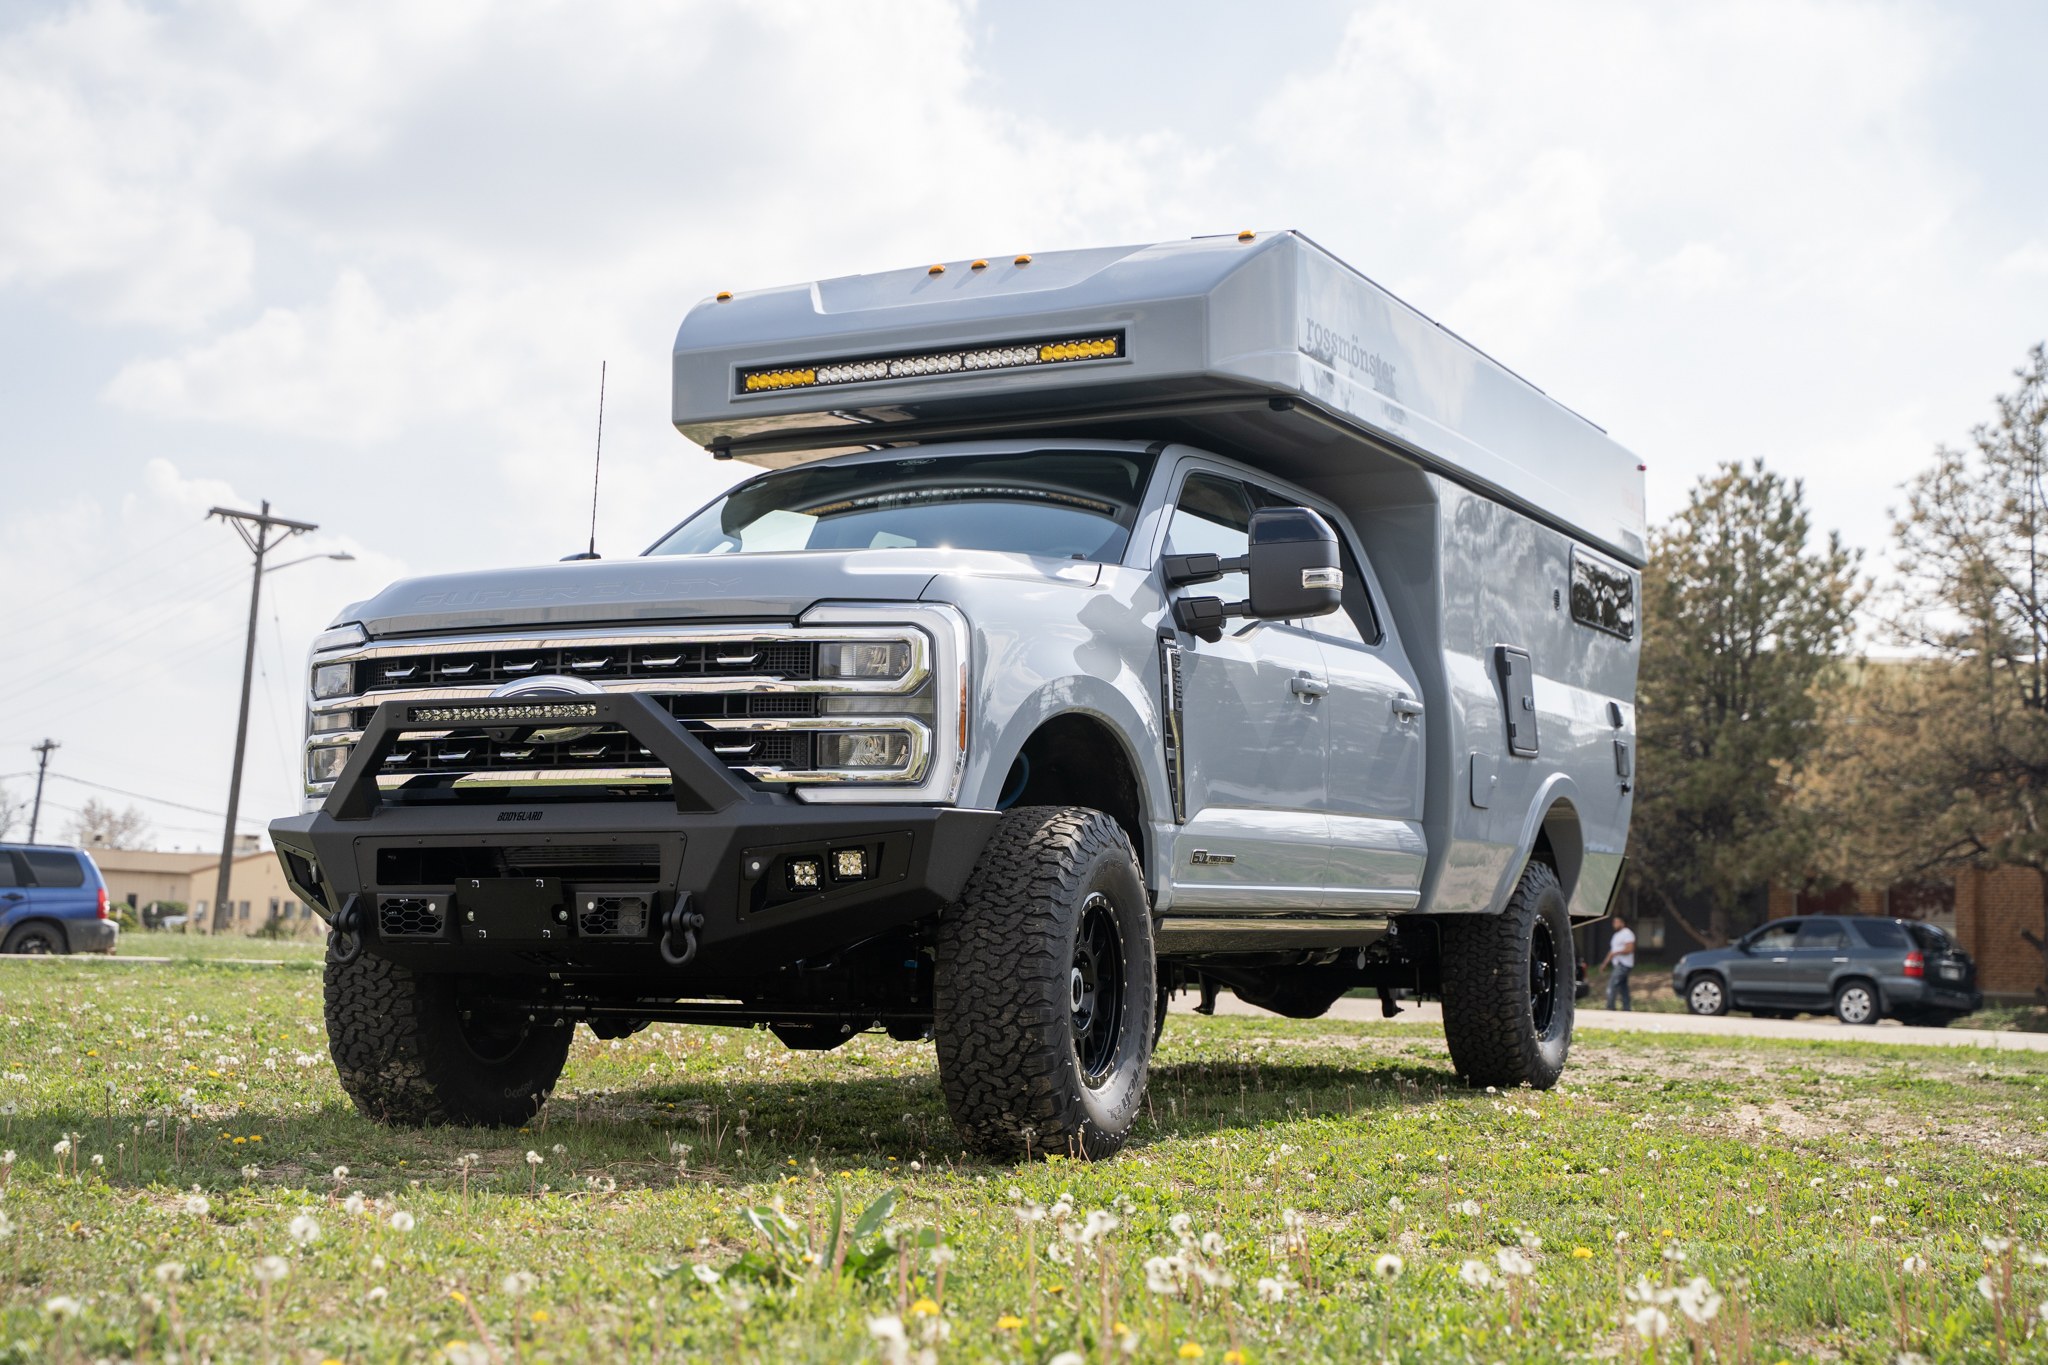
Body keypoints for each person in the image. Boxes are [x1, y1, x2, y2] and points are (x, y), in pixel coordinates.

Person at [1600, 914, 1636, 1011]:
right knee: (1623, 987)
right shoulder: (1616, 935)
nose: (1614, 924)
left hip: (1624, 964)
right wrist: (1604, 963)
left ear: (1622, 923)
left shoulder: (1627, 933)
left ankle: (1610, 1007)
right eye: (1613, 922)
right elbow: (1612, 951)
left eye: (1616, 922)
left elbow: (1630, 949)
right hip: (1617, 964)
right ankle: (1627, 1008)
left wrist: (1616, 952)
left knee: (1612, 984)